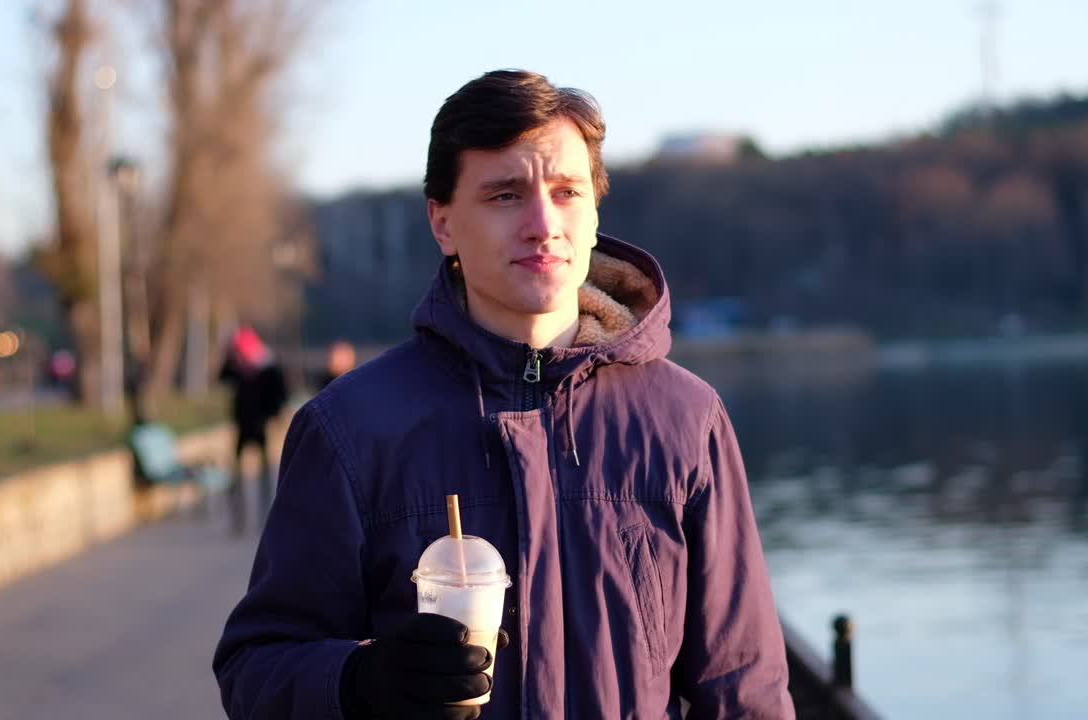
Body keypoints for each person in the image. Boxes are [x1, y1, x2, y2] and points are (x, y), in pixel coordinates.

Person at [214, 70, 793, 718]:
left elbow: (746, 691)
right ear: (443, 223)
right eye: (505, 196)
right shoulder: (351, 430)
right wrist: (359, 679)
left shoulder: (686, 421)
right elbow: (255, 669)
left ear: (595, 212)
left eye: (567, 191)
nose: (543, 223)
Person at [218, 324, 288, 536]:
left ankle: (268, 516)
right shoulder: (237, 367)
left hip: (262, 426)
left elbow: (279, 396)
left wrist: (273, 417)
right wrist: (230, 357)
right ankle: (239, 518)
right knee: (237, 474)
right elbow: (222, 377)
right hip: (242, 426)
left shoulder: (268, 367)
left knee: (266, 474)